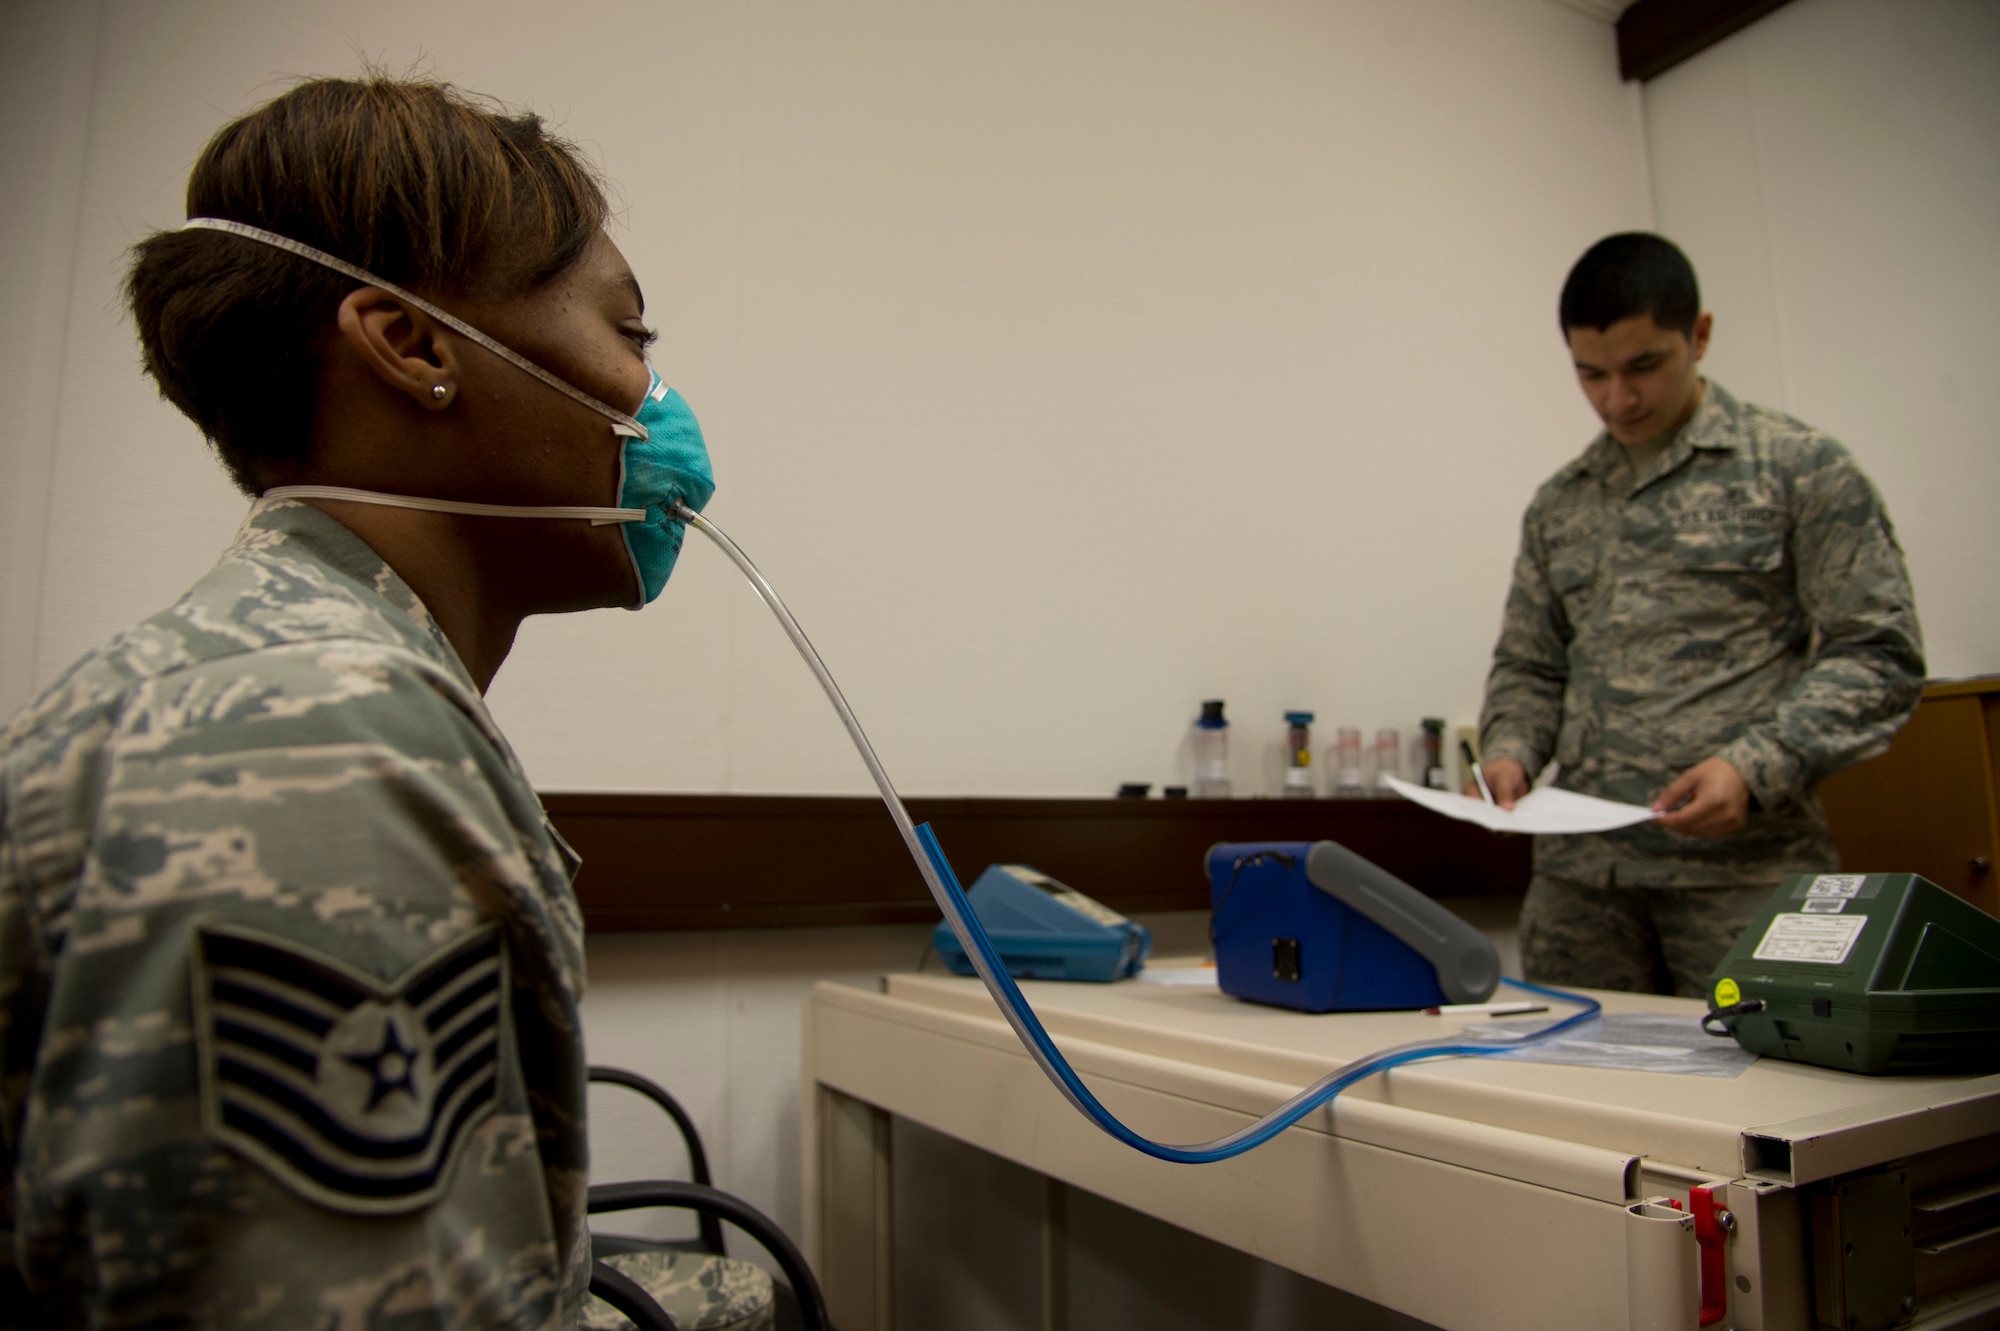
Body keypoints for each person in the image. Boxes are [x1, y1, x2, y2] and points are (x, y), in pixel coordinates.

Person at [0, 76, 713, 1326]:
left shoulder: (290, 681)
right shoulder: (316, 744)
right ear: (416, 346)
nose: (658, 407)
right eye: (632, 337)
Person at [1475, 232, 1923, 997]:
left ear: (1700, 336)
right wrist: (1510, 745)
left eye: (1643, 366)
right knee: (1576, 1100)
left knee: (1771, 1098)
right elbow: (1531, 662)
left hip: (1742, 878)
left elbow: (1879, 653)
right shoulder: (1562, 502)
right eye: (1592, 374)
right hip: (1585, 886)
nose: (1618, 399)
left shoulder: (1798, 469)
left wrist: (1754, 766)